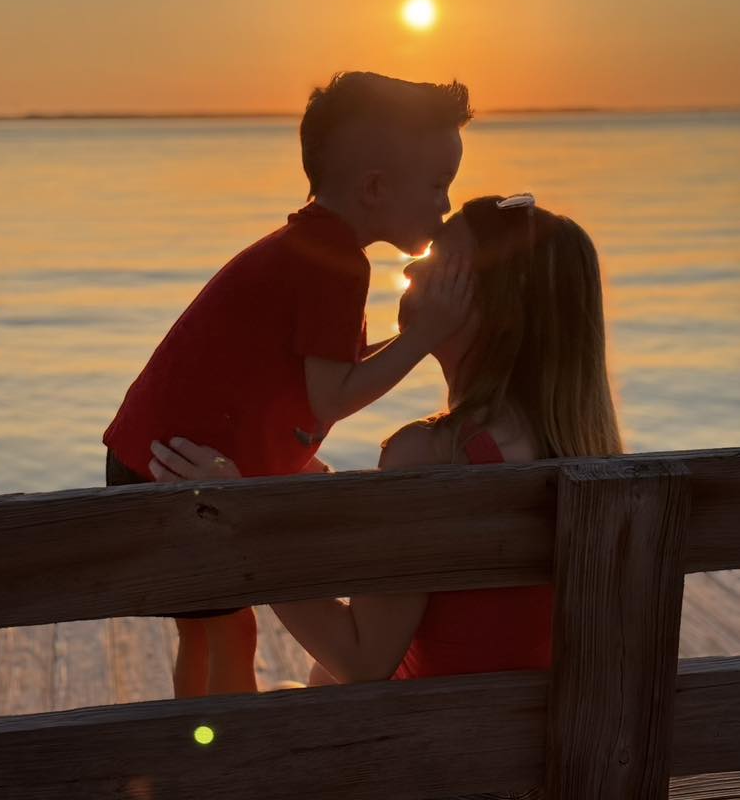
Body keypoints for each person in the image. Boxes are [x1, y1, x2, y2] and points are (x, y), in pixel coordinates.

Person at [151, 194, 622, 798]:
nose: (412, 267)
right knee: (307, 690)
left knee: (281, 711)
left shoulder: (429, 455)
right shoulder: (583, 450)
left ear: (489, 306)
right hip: (528, 755)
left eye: (440, 262)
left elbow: (362, 658)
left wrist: (238, 520)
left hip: (431, 762)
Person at [102, 71, 474, 698]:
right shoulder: (334, 265)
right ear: (376, 188)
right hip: (181, 473)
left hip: (160, 462)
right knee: (226, 632)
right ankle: (220, 761)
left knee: (211, 629)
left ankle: (199, 752)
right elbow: (334, 396)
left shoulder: (312, 248)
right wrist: (420, 338)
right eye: (438, 186)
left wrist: (419, 337)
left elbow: (325, 375)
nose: (444, 207)